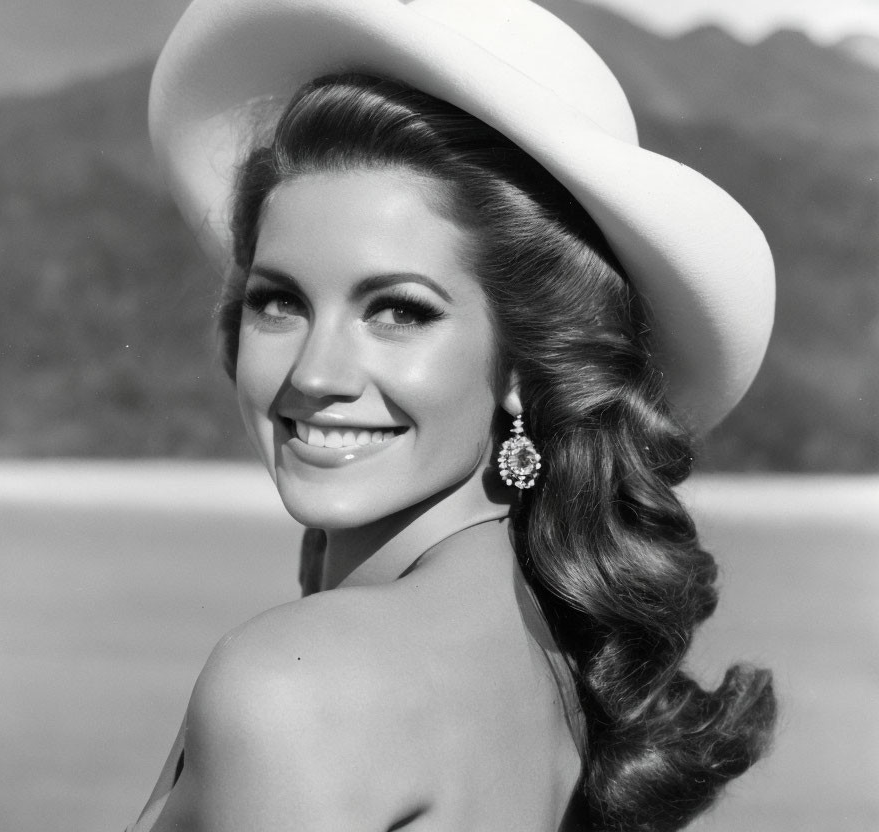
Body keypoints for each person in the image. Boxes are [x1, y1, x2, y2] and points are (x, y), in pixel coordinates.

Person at [130, 1, 777, 829]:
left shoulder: (295, 686)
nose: (316, 373)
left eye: (398, 311)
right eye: (279, 301)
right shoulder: (557, 671)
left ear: (525, 361)